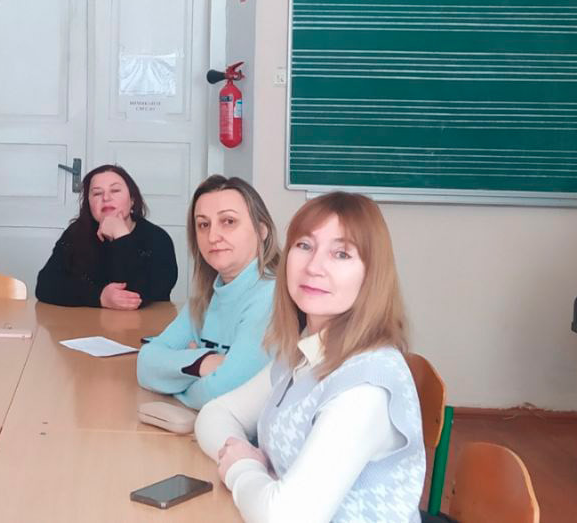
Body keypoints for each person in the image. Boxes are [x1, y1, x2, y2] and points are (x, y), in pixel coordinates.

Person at [194, 191, 424, 523]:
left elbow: (284, 517)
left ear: (371, 274)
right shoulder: (305, 351)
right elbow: (215, 415)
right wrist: (257, 479)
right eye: (304, 245)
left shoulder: (366, 388)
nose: (314, 267)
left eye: (341, 253)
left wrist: (243, 467)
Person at [137, 175, 278, 408]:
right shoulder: (205, 297)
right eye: (203, 224)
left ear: (262, 230)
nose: (212, 237)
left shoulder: (271, 296)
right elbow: (145, 365)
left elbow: (225, 391)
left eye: (228, 221)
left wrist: (175, 381)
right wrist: (203, 362)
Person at [34, 163, 178, 308]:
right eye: (97, 193)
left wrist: (121, 236)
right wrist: (99, 297)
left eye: (115, 190)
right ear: (88, 204)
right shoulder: (76, 233)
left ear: (132, 200)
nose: (106, 198)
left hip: (147, 321)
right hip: (87, 321)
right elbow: (45, 286)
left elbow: (138, 296)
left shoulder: (157, 238)